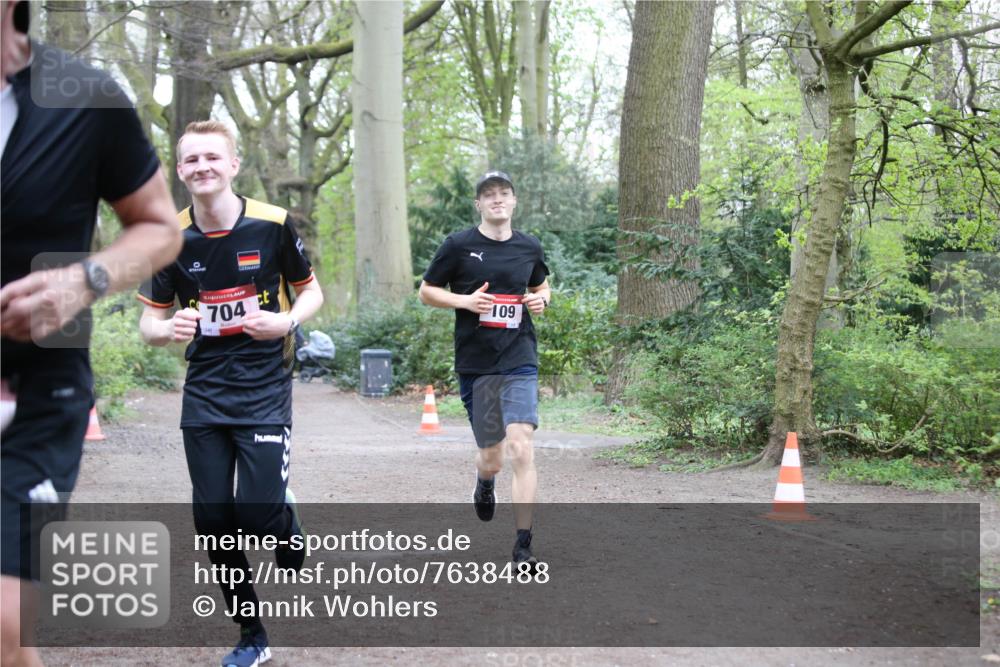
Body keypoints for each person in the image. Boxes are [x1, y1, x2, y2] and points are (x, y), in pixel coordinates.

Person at [0, 0, 182, 663]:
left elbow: (161, 226)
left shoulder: (84, 97)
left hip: (35, 395)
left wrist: (85, 280)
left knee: (2, 622)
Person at [138, 120, 322, 667]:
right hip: (205, 391)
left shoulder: (272, 224)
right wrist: (166, 331)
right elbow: (149, 323)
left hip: (264, 385)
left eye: (213, 158)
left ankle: (281, 521)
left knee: (257, 514)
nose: (203, 168)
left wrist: (286, 321)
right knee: (214, 523)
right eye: (192, 160)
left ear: (233, 164)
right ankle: (252, 636)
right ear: (181, 171)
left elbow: (312, 293)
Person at [419, 170, 551, 567]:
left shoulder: (529, 246)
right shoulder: (458, 245)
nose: (497, 199)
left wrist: (542, 301)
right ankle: (484, 480)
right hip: (477, 364)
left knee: (522, 446)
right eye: (488, 195)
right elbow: (426, 291)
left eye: (504, 193)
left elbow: (540, 286)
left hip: (519, 357)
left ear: (513, 201)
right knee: (492, 457)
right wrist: (464, 303)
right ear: (478, 204)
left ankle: (523, 545)